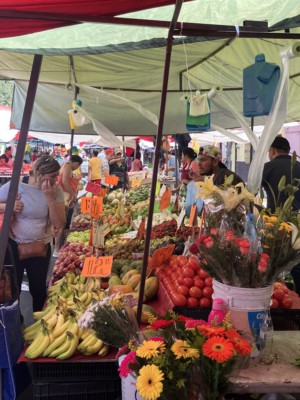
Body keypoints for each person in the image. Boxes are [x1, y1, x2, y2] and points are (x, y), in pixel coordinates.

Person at [0, 156, 65, 314]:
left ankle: (39, 324)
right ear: (38, 173)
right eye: (52, 176)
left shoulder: (56, 190)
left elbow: (59, 223)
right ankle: (17, 325)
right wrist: (8, 206)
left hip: (40, 246)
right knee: (13, 290)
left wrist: (49, 197)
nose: (56, 179)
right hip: (13, 245)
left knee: (38, 290)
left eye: (57, 175)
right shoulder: (16, 185)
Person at [262, 136, 300, 295]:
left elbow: (251, 188)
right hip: (297, 223)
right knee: (297, 267)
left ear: (271, 151)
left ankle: (277, 297)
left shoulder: (268, 167)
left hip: (275, 224)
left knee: (274, 265)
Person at [53, 155, 83, 256]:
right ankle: (57, 249)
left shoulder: (63, 164)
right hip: (63, 198)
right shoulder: (68, 167)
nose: (77, 168)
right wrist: (73, 194)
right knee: (61, 224)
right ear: (76, 163)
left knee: (60, 223)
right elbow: (65, 182)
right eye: (78, 166)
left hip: (59, 197)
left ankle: (58, 247)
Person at [262, 136, 300, 212]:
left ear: (272, 150)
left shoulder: (268, 167)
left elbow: (253, 192)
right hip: (297, 220)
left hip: (273, 219)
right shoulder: (299, 166)